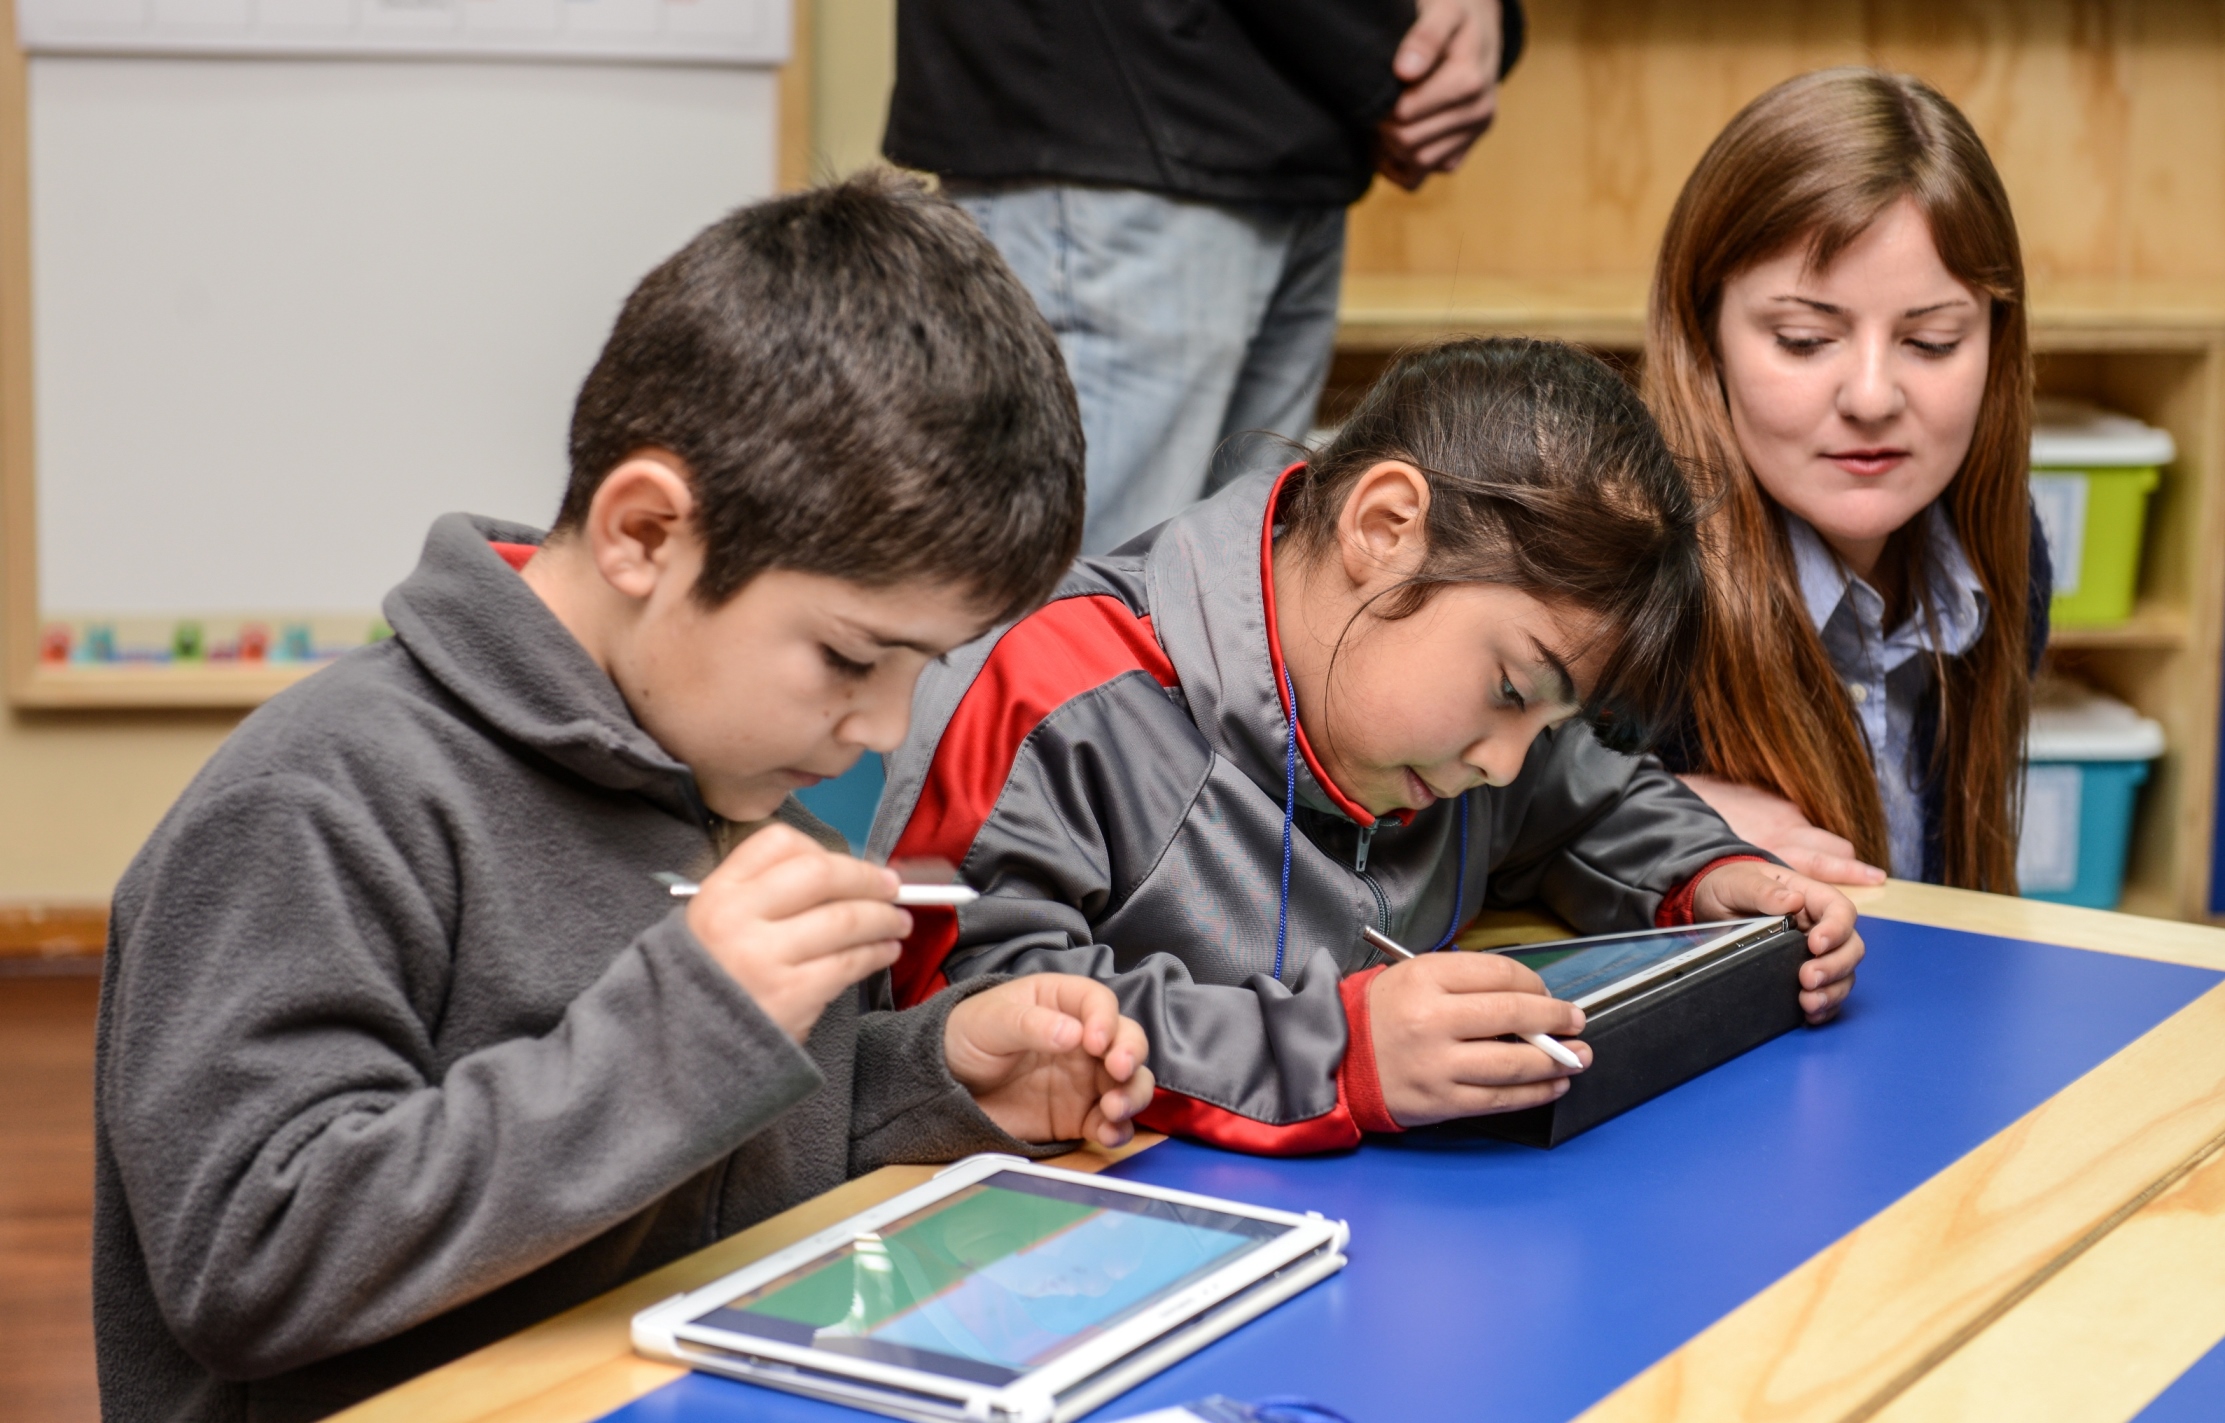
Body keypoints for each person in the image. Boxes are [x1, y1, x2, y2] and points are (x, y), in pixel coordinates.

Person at [92, 174, 1155, 1423]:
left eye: (926, 666)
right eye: (854, 657)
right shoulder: (313, 805)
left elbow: (707, 1173)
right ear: (645, 533)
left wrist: (935, 1080)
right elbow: (250, 1260)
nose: (881, 727)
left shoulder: (750, 791)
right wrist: (687, 1025)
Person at [868, 338, 1862, 1154]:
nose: (1504, 763)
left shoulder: (1463, 744)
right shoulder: (1049, 693)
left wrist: (1709, 877)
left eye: (1547, 723)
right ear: (1383, 528)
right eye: (1511, 689)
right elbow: (973, 1027)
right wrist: (1334, 1051)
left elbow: (1585, 801)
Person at [885, 0, 1526, 553]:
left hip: (1286, 131)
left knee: (1214, 601)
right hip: (1118, 117)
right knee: (1060, 619)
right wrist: (1401, 57)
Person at [1645, 69, 2050, 891]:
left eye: (1931, 341)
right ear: (1705, 335)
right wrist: (1642, 815)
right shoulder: (1620, 574)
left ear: (1992, 345)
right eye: (1801, 339)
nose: (1871, 398)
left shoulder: (2007, 551)